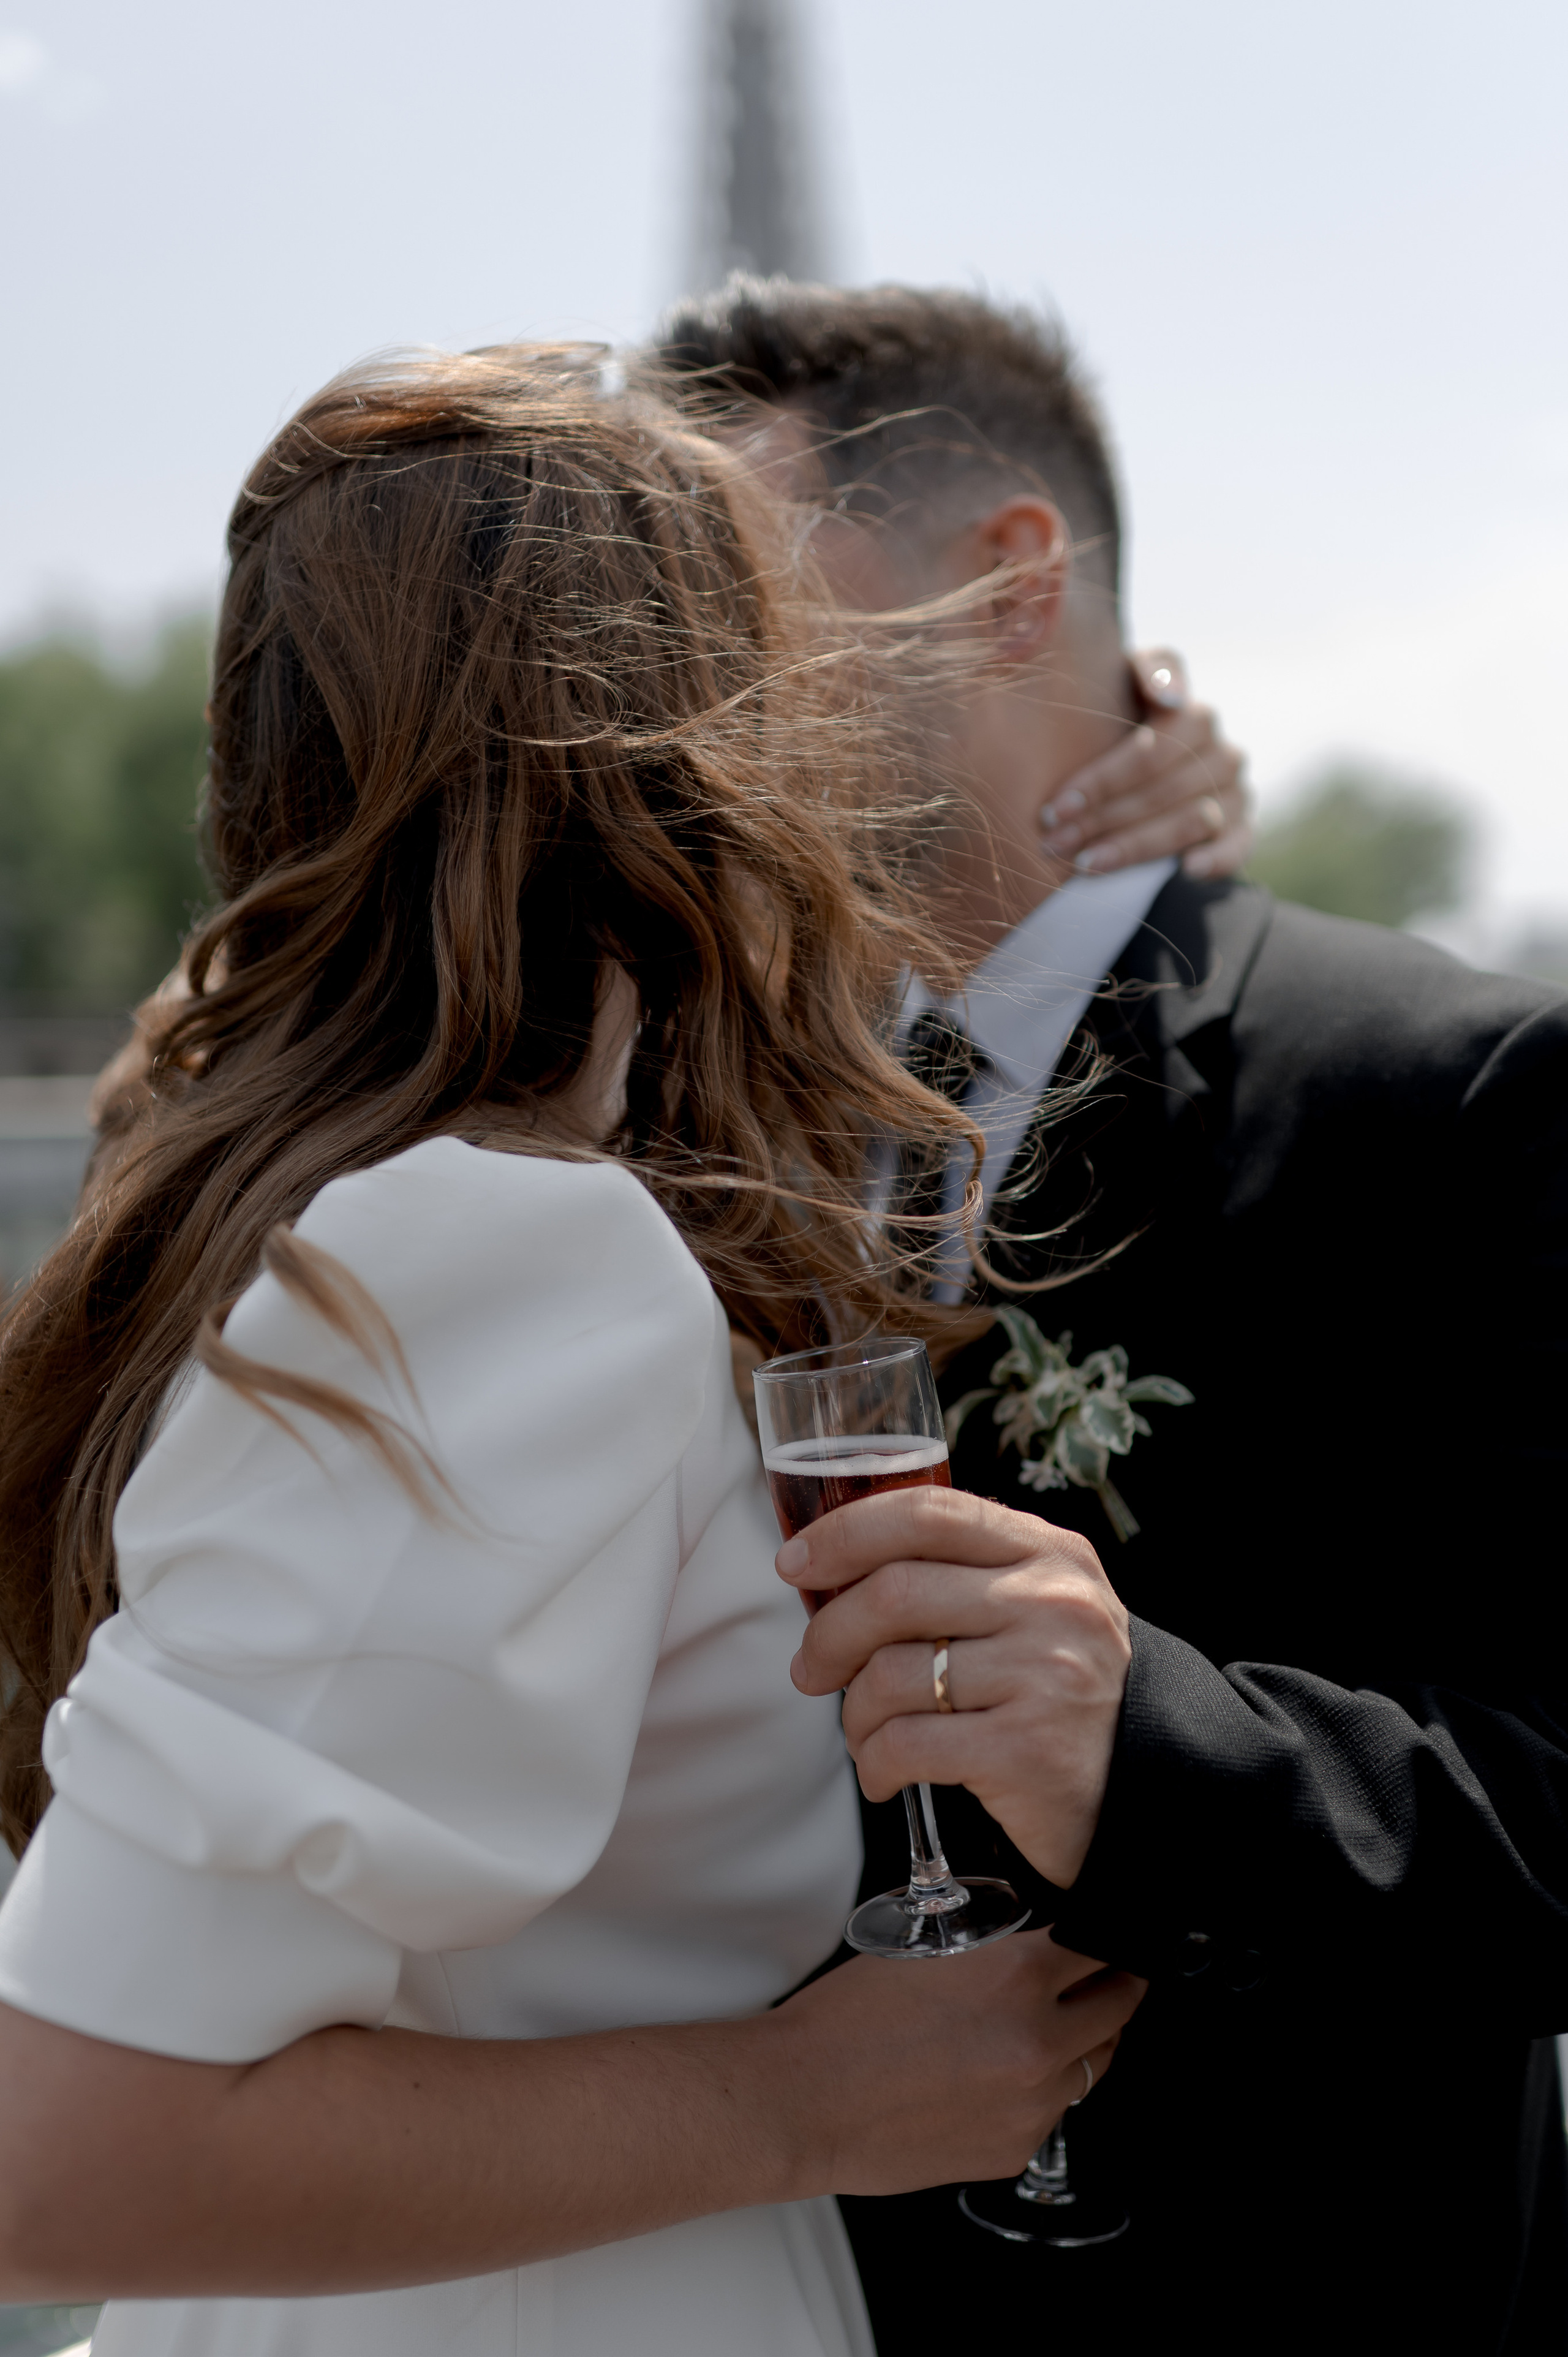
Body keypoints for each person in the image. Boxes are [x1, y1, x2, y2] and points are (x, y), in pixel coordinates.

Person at [0, 346, 1150, 2357]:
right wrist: (813, 2101)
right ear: (711, 729)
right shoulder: (503, 1244)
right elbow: (49, 2161)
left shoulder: (346, 1198)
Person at [658, 280, 1568, 2351]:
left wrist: (1144, 1752)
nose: (666, 671)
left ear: (1005, 587)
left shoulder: (1461, 1087)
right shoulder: (677, 1098)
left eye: (732, 578)